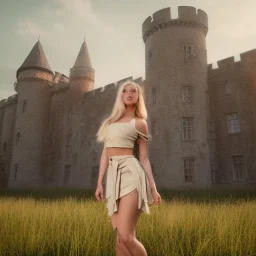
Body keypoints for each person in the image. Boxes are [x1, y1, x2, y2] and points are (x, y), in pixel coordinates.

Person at [95, 81, 162, 256]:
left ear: (138, 96)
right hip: (113, 177)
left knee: (126, 236)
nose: (129, 93)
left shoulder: (140, 123)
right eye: (125, 91)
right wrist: (99, 183)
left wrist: (154, 190)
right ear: (121, 96)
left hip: (132, 174)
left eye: (134, 91)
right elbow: (105, 154)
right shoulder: (110, 123)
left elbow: (144, 158)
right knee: (120, 240)